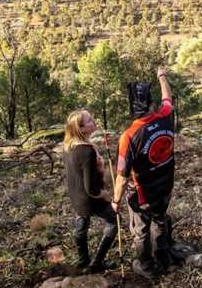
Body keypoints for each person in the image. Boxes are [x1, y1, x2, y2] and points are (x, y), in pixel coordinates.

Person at [111, 68, 176, 281]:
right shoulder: (166, 116)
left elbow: (121, 176)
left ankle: (146, 265)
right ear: (151, 105)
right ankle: (164, 257)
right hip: (165, 185)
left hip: (142, 194)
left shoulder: (128, 137)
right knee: (160, 221)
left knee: (141, 230)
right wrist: (162, 76)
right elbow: (168, 97)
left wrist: (115, 200)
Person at [62, 110, 118, 273]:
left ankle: (83, 260)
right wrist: (105, 195)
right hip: (90, 197)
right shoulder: (87, 151)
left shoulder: (68, 145)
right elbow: (91, 188)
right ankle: (96, 264)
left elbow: (78, 174)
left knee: (82, 224)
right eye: (89, 121)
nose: (93, 121)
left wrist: (98, 168)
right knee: (113, 221)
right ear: (81, 128)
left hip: (76, 196)